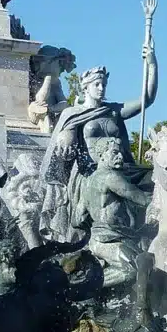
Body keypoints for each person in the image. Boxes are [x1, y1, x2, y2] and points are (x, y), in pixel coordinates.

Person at [39, 39, 158, 244]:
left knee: (155, 178)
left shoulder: (113, 110)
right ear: (85, 87)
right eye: (97, 84)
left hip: (121, 168)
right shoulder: (72, 114)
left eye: (104, 84)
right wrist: (66, 133)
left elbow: (146, 98)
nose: (101, 88)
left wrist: (152, 64)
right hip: (89, 173)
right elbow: (62, 149)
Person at [79, 137, 152, 289]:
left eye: (121, 153)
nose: (120, 157)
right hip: (110, 239)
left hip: (99, 237)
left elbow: (78, 218)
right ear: (102, 155)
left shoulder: (87, 181)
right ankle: (83, 288)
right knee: (134, 268)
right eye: (115, 152)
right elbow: (142, 199)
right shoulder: (111, 177)